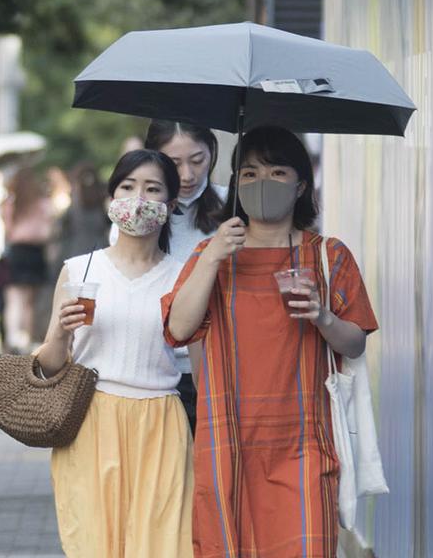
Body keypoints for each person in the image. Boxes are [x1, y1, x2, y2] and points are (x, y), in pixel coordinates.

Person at [162, 127, 378, 557]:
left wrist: (322, 315)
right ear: (236, 183)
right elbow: (180, 328)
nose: (262, 182)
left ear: (300, 185)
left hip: (306, 443)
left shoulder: (328, 256)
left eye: (278, 171)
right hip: (228, 443)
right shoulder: (214, 255)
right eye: (249, 172)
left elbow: (355, 343)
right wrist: (212, 257)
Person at [36, 149, 193, 558]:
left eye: (152, 189)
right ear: (111, 198)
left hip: (160, 421)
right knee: (93, 544)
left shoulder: (182, 277)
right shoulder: (80, 270)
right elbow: (52, 364)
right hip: (91, 418)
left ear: (170, 205)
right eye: (128, 187)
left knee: (160, 545)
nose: (138, 198)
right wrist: (58, 330)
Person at [111, 121, 229, 434]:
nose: (188, 175)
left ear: (213, 153)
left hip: (216, 367)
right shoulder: (137, 214)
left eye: (198, 159)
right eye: (175, 163)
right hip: (151, 373)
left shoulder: (234, 209)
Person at [1, 167, 54, 353]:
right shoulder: (41, 202)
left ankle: (13, 336)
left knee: (14, 298)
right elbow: (48, 229)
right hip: (35, 252)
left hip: (17, 251)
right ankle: (26, 338)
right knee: (30, 301)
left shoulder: (11, 203)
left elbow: (7, 230)